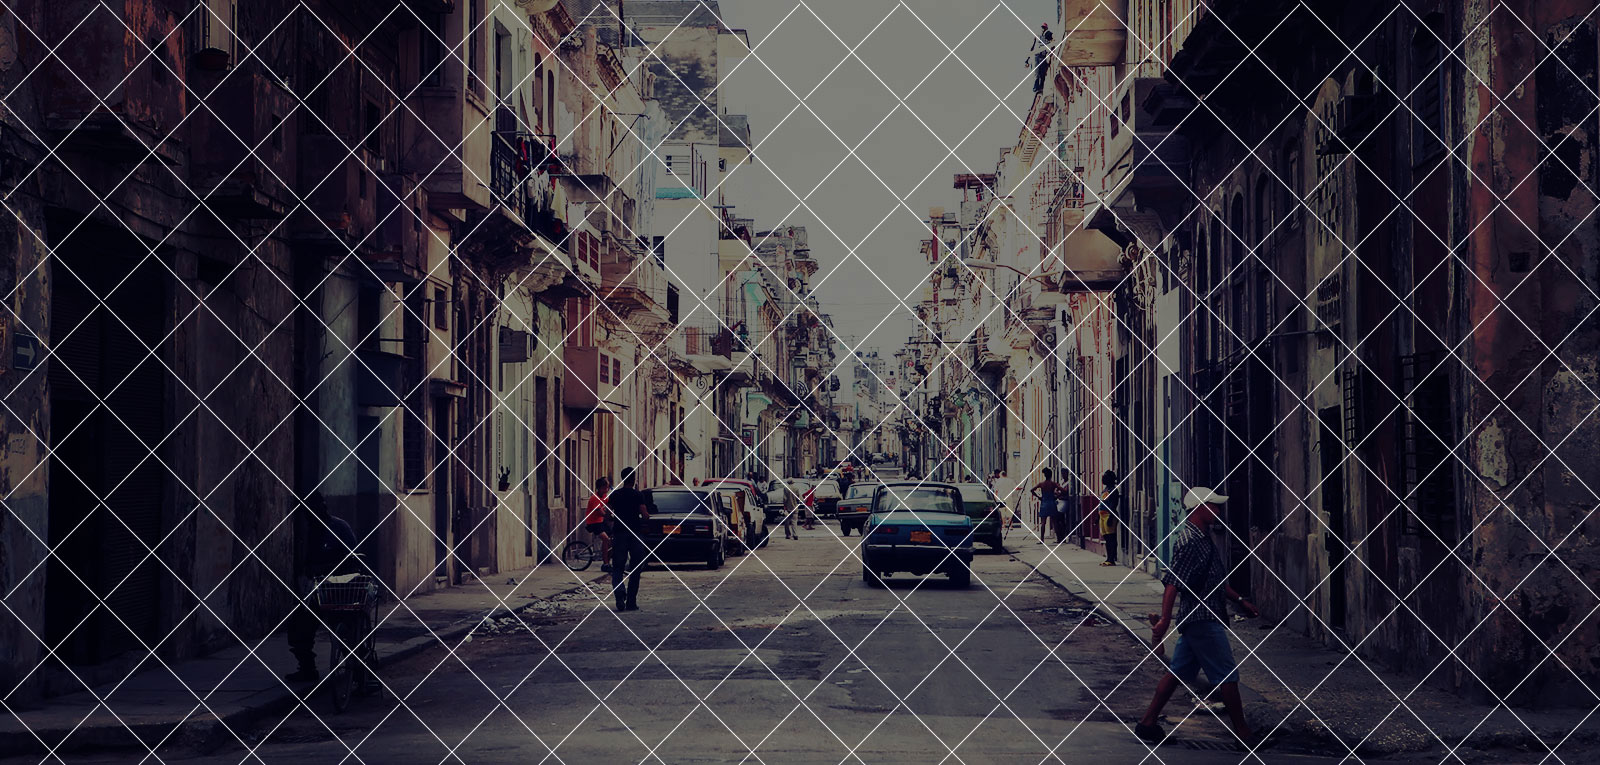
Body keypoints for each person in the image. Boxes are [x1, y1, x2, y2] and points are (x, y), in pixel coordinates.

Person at [1136, 487, 1260, 748]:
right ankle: (1244, 734)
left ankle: (1147, 723)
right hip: (1202, 619)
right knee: (1227, 675)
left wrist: (1240, 601)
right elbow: (1173, 583)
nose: (1217, 511)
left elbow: (1216, 580)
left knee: (1177, 674)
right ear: (1199, 508)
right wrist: (1165, 619)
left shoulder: (1203, 538)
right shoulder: (1189, 541)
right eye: (1213, 506)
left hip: (1201, 618)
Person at [284, 494, 358, 683]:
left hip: (341, 590)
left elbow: (352, 559)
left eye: (318, 509)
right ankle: (307, 668)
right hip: (318, 591)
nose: (315, 514)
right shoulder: (309, 532)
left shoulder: (339, 527)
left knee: (345, 633)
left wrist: (327, 568)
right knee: (298, 627)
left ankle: (358, 672)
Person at [606, 468, 651, 612]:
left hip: (619, 534)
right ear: (634, 479)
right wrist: (646, 517)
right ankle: (631, 602)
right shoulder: (638, 495)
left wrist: (613, 523)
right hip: (634, 533)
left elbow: (607, 513)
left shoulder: (615, 495)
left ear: (623, 478)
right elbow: (644, 514)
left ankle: (619, 594)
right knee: (636, 568)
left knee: (617, 567)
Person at [583, 477, 612, 572]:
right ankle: (605, 563)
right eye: (604, 488)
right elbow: (600, 512)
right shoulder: (594, 498)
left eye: (607, 487)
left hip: (600, 522)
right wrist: (611, 516)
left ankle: (608, 559)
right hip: (593, 523)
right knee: (605, 539)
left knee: (612, 538)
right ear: (599, 488)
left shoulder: (605, 496)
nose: (606, 490)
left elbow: (610, 504)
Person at [1031, 468, 1065, 543]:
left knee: (1043, 522)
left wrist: (1039, 497)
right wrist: (1057, 496)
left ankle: (1042, 539)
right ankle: (1058, 539)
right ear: (1051, 475)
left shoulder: (1041, 484)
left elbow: (1032, 490)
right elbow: (1063, 491)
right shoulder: (1053, 484)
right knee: (1054, 522)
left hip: (1044, 503)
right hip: (1052, 503)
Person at [1098, 470, 1122, 566]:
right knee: (1106, 538)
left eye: (1105, 477)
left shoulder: (1113, 490)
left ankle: (1112, 559)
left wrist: (1111, 517)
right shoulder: (1105, 490)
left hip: (1109, 515)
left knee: (1111, 537)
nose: (1103, 478)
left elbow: (1114, 504)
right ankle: (1108, 558)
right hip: (1102, 515)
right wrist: (1097, 517)